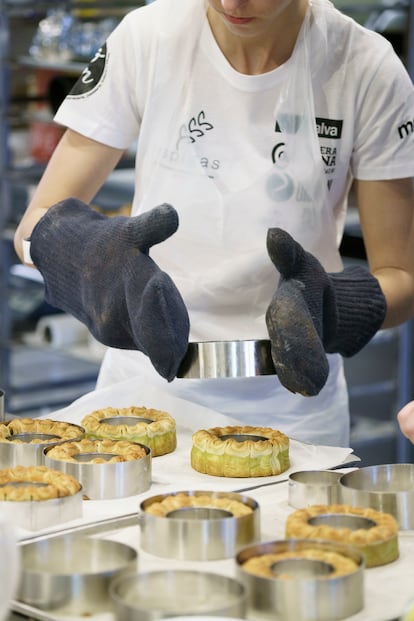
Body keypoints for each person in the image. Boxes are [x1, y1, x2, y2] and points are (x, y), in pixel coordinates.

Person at [14, 0, 414, 448]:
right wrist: (85, 259)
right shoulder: (149, 37)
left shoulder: (365, 66)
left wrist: (333, 308)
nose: (232, 4)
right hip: (141, 396)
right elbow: (34, 225)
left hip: (292, 408)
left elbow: (401, 278)